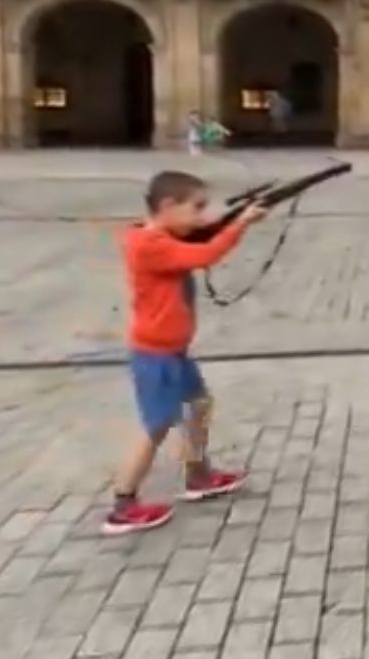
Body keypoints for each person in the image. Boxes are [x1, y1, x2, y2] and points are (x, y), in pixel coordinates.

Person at [103, 171, 268, 535]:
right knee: (156, 426)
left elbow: (198, 238)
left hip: (174, 350)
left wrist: (224, 220)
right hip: (156, 354)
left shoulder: (162, 235)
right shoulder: (150, 244)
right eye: (196, 208)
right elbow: (206, 254)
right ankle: (123, 504)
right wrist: (241, 223)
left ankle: (198, 474)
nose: (201, 216)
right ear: (167, 206)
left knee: (198, 405)